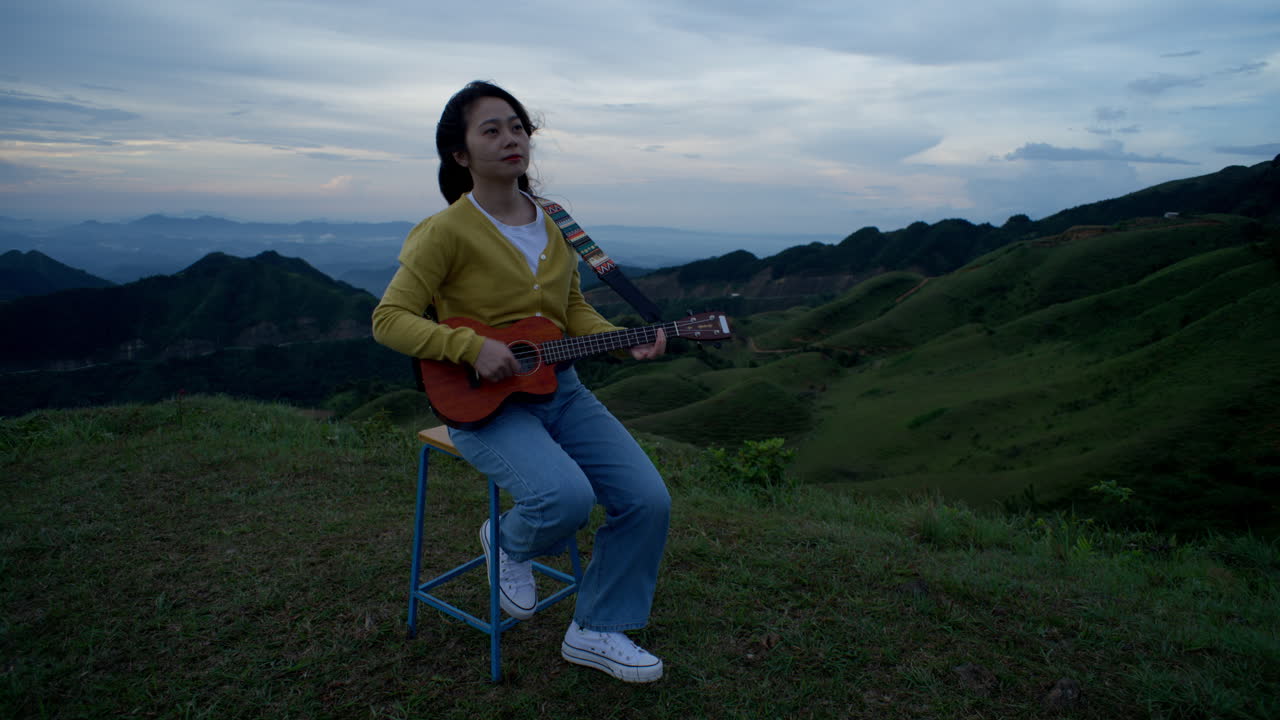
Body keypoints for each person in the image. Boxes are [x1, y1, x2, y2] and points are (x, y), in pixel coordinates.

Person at [371, 81, 672, 683]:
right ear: (460, 155)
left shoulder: (555, 221)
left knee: (648, 500)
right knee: (565, 497)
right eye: (491, 130)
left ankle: (596, 628)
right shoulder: (445, 231)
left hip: (562, 390)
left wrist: (620, 335)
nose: (511, 138)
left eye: (517, 126)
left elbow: (570, 313)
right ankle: (505, 544)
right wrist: (469, 346)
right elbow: (388, 319)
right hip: (485, 407)